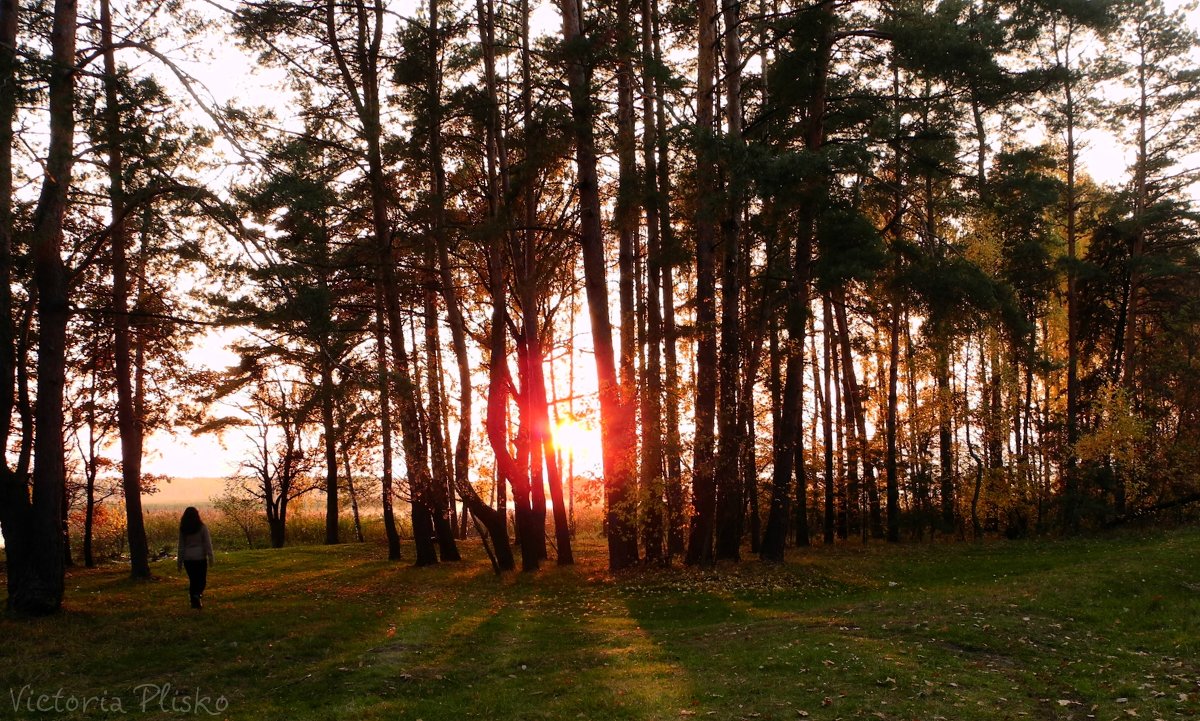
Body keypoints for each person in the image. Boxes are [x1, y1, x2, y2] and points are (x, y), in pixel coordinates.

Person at [177, 506, 214, 609]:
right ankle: (197, 595)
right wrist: (210, 556)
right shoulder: (202, 527)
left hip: (188, 559)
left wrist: (179, 562)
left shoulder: (183, 529)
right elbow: (207, 543)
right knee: (201, 580)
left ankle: (194, 601)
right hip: (200, 558)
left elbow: (181, 546)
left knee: (193, 580)